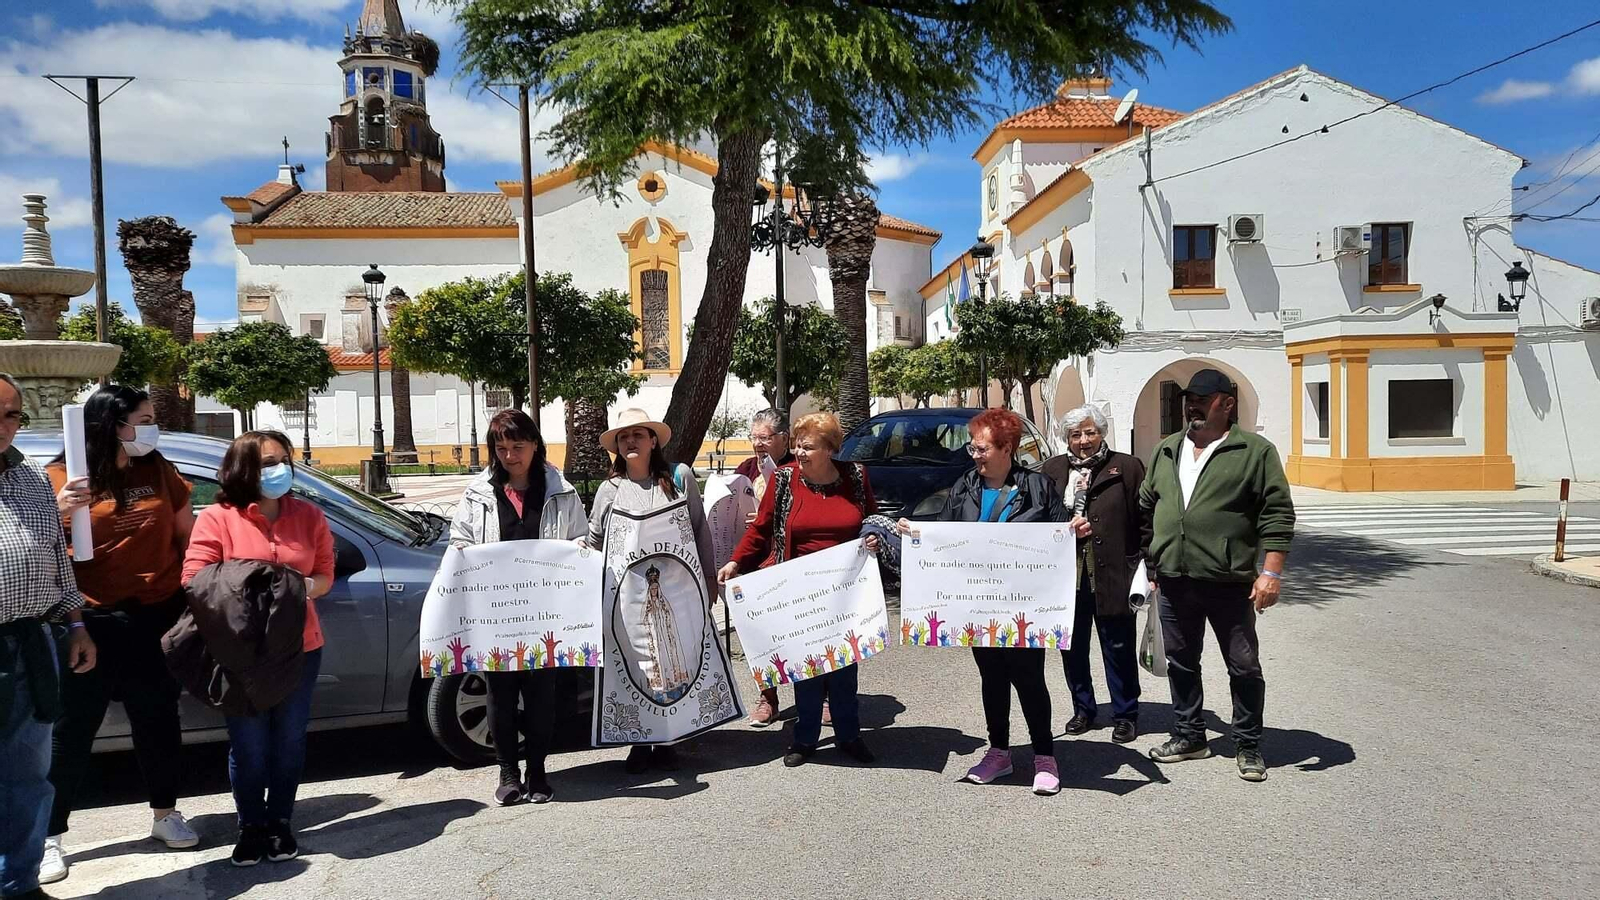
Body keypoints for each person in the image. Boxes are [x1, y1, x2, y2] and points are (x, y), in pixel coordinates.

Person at [40, 386, 198, 887]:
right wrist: (59, 510)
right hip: (89, 621)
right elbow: (34, 549)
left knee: (156, 717)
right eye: (142, 419)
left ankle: (165, 814)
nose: (150, 429)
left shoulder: (159, 471)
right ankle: (49, 835)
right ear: (110, 424)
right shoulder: (59, 479)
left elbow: (185, 536)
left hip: (156, 616)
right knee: (73, 730)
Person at [181, 431, 333, 864]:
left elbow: (324, 573)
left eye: (284, 459)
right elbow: (194, 578)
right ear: (243, 467)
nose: (278, 469)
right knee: (248, 745)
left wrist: (300, 588)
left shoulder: (308, 515)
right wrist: (255, 586)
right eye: (267, 462)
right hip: (240, 654)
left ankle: (281, 822)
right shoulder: (217, 518)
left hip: (300, 648)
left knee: (289, 740)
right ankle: (251, 825)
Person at [1138, 369, 1295, 782]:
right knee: (1182, 662)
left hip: (1228, 581)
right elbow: (1146, 506)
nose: (1193, 406)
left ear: (1226, 403)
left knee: (1243, 665)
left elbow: (1277, 513)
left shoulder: (1255, 451)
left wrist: (1271, 572)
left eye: (1203, 399)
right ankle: (1191, 736)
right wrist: (1151, 561)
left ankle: (1247, 742)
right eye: (1189, 398)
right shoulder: (1168, 449)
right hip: (1174, 578)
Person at [906, 408, 1066, 795]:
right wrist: (915, 534)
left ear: (1007, 448)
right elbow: (943, 536)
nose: (973, 455)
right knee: (992, 678)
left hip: (1025, 605)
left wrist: (1073, 528)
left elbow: (1060, 535)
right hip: (978, 606)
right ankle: (999, 752)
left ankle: (1045, 758)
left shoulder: (1038, 487)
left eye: (981, 449)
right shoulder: (965, 487)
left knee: (1029, 680)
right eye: (972, 448)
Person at [721, 412, 880, 768]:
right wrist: (736, 561)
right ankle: (805, 737)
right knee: (806, 665)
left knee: (843, 664)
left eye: (808, 446)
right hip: (797, 589)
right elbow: (761, 529)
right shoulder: (784, 479)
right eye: (797, 445)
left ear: (829, 449)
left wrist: (873, 537)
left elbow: (871, 520)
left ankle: (849, 735)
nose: (800, 452)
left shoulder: (855, 476)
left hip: (845, 590)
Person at [448, 409, 588, 806]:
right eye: (502, 447)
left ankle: (538, 771)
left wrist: (576, 551)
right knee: (500, 694)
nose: (510, 455)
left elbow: (578, 538)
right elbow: (460, 538)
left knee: (542, 695)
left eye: (518, 447)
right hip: (497, 615)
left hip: (543, 613)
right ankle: (508, 772)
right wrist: (462, 553)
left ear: (535, 446)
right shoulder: (479, 493)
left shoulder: (561, 491)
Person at [0, 371, 95, 900]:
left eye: (12, 414)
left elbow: (57, 559)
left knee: (29, 777)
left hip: (32, 644)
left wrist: (76, 622)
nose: (4, 425)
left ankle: (19, 884)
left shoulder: (32, 477)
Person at [588, 409, 716, 774]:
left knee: (673, 658)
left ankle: (670, 737)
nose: (631, 441)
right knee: (638, 665)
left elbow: (698, 528)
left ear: (653, 440)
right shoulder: (609, 489)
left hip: (677, 592)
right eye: (624, 437)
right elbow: (596, 539)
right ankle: (641, 741)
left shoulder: (678, 478)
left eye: (638, 435)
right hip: (626, 596)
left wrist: (708, 579)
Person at [1041, 405, 1146, 745]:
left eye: (1090, 432)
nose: (1083, 441)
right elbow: (1038, 518)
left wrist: (1148, 567)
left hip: (1113, 571)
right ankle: (1083, 708)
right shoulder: (1052, 470)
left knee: (1117, 644)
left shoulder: (1126, 467)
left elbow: (1145, 521)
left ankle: (1126, 713)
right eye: (1075, 435)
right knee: (1072, 646)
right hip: (1066, 575)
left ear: (1102, 433)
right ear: (1066, 439)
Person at [733, 408, 795, 727]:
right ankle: (768, 698)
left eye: (765, 438)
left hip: (792, 562)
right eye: (754, 437)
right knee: (761, 634)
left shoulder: (798, 467)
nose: (758, 444)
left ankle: (819, 696)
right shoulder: (745, 469)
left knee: (800, 629)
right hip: (756, 563)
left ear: (784, 439)